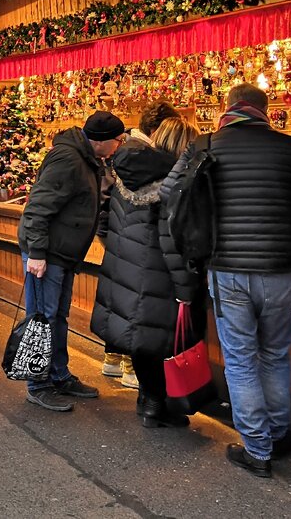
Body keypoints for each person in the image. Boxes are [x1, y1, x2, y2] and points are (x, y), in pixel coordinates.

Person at [161, 84, 291, 478]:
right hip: (281, 269)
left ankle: (257, 448)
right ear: (264, 110)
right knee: (275, 353)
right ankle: (279, 434)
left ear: (228, 107)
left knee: (240, 358)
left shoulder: (206, 144)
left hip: (228, 267)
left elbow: (170, 194)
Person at [91, 115, 200, 429]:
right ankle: (156, 403)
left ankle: (147, 399)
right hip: (157, 270)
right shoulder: (172, 185)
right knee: (157, 338)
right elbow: (172, 239)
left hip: (124, 265)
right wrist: (186, 286)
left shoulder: (124, 172)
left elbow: (103, 218)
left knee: (139, 336)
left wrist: (120, 249)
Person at [18, 110, 127, 412]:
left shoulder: (86, 160)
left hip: (61, 254)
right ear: (102, 141)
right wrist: (38, 253)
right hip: (48, 253)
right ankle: (38, 383)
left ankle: (58, 374)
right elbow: (38, 207)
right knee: (42, 317)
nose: (119, 145)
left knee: (56, 316)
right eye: (118, 140)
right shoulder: (68, 159)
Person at [101, 102, 182, 386]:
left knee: (126, 304)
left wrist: (111, 239)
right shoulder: (157, 164)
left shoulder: (124, 155)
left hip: (123, 245)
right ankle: (134, 370)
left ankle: (119, 361)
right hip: (146, 251)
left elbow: (106, 204)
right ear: (157, 130)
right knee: (141, 310)